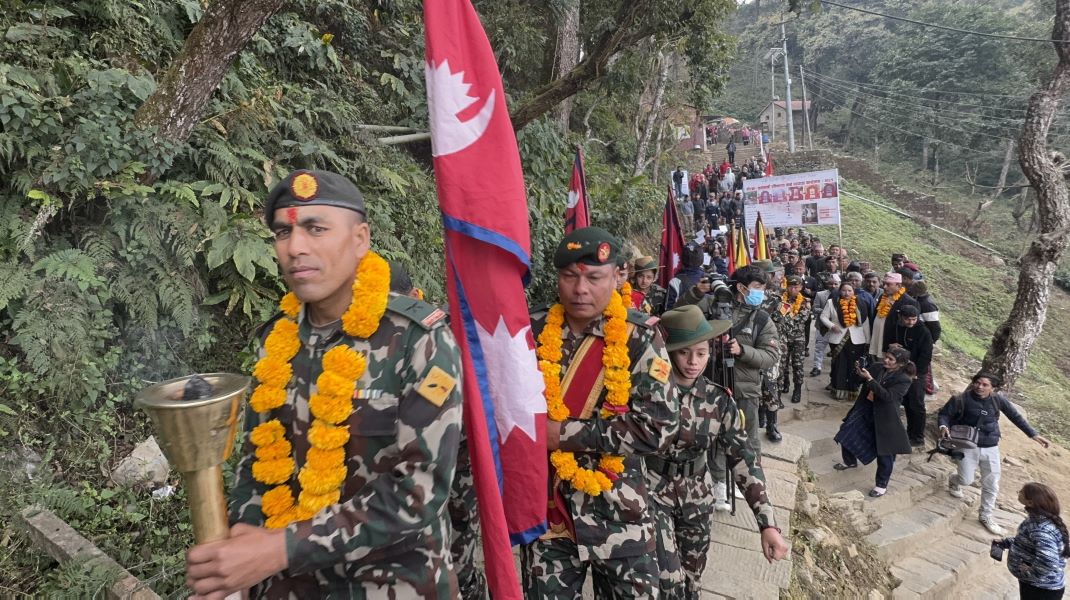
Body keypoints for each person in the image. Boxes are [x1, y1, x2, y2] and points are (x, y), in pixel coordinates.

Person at [189, 170, 462, 598]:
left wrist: (280, 549)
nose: (296, 247)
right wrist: (241, 546)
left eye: (316, 228)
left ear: (360, 239)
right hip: (287, 585)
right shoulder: (276, 339)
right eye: (283, 231)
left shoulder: (418, 339)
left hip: (389, 582)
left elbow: (420, 489)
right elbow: (256, 459)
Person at [523, 226, 676, 598]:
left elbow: (658, 427)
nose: (580, 290)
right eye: (569, 277)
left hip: (621, 515)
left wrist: (564, 435)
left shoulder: (638, 338)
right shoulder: (530, 331)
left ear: (617, 275)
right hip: (549, 517)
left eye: (593, 278)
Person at [648, 306, 787, 598]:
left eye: (701, 353)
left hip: (696, 496)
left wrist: (767, 524)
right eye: (685, 352)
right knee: (667, 577)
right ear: (671, 352)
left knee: (691, 577)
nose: (693, 362)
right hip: (652, 491)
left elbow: (744, 461)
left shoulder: (719, 401)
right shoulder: (648, 393)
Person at [391, 262, 486, 598]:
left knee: (459, 556)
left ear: (415, 297)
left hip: (456, 466)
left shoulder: (440, 335)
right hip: (394, 486)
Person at [677, 265, 781, 506]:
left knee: (748, 441)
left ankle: (756, 490)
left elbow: (771, 355)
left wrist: (742, 350)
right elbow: (680, 314)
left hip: (745, 390)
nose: (761, 293)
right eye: (757, 288)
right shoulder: (714, 305)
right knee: (711, 437)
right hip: (711, 384)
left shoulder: (762, 318)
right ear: (742, 287)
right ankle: (719, 486)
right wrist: (696, 292)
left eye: (763, 289)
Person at [938, 372, 1051, 535]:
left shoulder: (998, 400)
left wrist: (1033, 434)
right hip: (967, 445)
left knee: (991, 484)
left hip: (991, 446)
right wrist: (943, 426)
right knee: (966, 479)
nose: (980, 387)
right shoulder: (960, 399)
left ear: (993, 388)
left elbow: (1015, 416)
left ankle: (986, 515)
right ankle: (954, 480)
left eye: (985, 385)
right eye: (978, 383)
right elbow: (944, 415)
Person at [832, 347, 914, 498]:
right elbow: (859, 382)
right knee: (846, 431)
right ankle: (850, 461)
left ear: (900, 364)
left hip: (885, 417)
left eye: (891, 359)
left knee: (885, 453)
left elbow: (888, 397)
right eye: (886, 357)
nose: (886, 361)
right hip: (865, 408)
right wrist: (858, 372)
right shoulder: (877, 367)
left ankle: (881, 484)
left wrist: (870, 379)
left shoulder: (903, 379)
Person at [999, 482, 1069, 599]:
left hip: (1040, 590)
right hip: (1037, 585)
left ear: (1030, 502)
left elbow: (1048, 562)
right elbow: (1028, 543)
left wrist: (1028, 574)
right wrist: (1007, 543)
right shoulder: (1038, 520)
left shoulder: (1041, 530)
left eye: (1021, 492)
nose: (1019, 492)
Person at [885, 305, 933, 446]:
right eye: (908, 319)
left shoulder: (923, 331)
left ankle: (917, 437)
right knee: (905, 402)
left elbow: (926, 355)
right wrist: (891, 346)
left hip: (917, 372)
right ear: (901, 317)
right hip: (900, 369)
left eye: (914, 319)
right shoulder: (896, 326)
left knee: (916, 404)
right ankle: (907, 432)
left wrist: (916, 373)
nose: (911, 322)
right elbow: (888, 345)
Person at [821, 282, 871, 400]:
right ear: (839, 291)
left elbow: (865, 322)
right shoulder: (832, 302)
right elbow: (823, 317)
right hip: (838, 337)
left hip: (857, 339)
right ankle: (837, 390)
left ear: (854, 292)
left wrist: (868, 340)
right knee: (839, 365)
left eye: (849, 291)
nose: (846, 293)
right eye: (844, 290)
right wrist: (832, 326)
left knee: (854, 366)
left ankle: (852, 391)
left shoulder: (861, 303)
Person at [775, 275, 811, 404]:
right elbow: (777, 316)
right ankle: (784, 384)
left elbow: (801, 319)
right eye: (791, 286)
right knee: (782, 364)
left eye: (796, 287)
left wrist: (784, 319)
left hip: (798, 338)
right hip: (783, 337)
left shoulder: (805, 302)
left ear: (801, 287)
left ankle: (797, 389)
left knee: (797, 364)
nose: (793, 289)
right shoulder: (780, 300)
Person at [869, 272, 918, 362]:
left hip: (891, 344)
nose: (884, 287)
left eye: (888, 285)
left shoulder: (908, 301)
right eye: (884, 284)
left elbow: (911, 326)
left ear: (898, 285)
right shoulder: (883, 296)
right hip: (877, 339)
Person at [911, 280, 941, 394]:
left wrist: (931, 341)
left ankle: (928, 388)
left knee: (924, 367)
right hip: (919, 339)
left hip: (925, 340)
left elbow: (935, 327)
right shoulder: (919, 301)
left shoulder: (927, 304)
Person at [809, 272, 840, 378]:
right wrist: (826, 311)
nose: (833, 286)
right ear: (827, 284)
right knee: (819, 348)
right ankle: (817, 367)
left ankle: (834, 371)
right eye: (831, 284)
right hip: (822, 326)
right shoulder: (820, 294)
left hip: (837, 328)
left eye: (836, 284)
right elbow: (814, 308)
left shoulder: (843, 295)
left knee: (836, 351)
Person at [665, 244, 706, 311]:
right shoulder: (708, 279)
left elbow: (667, 310)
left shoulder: (675, 281)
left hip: (680, 320)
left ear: (682, 258)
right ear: (701, 260)